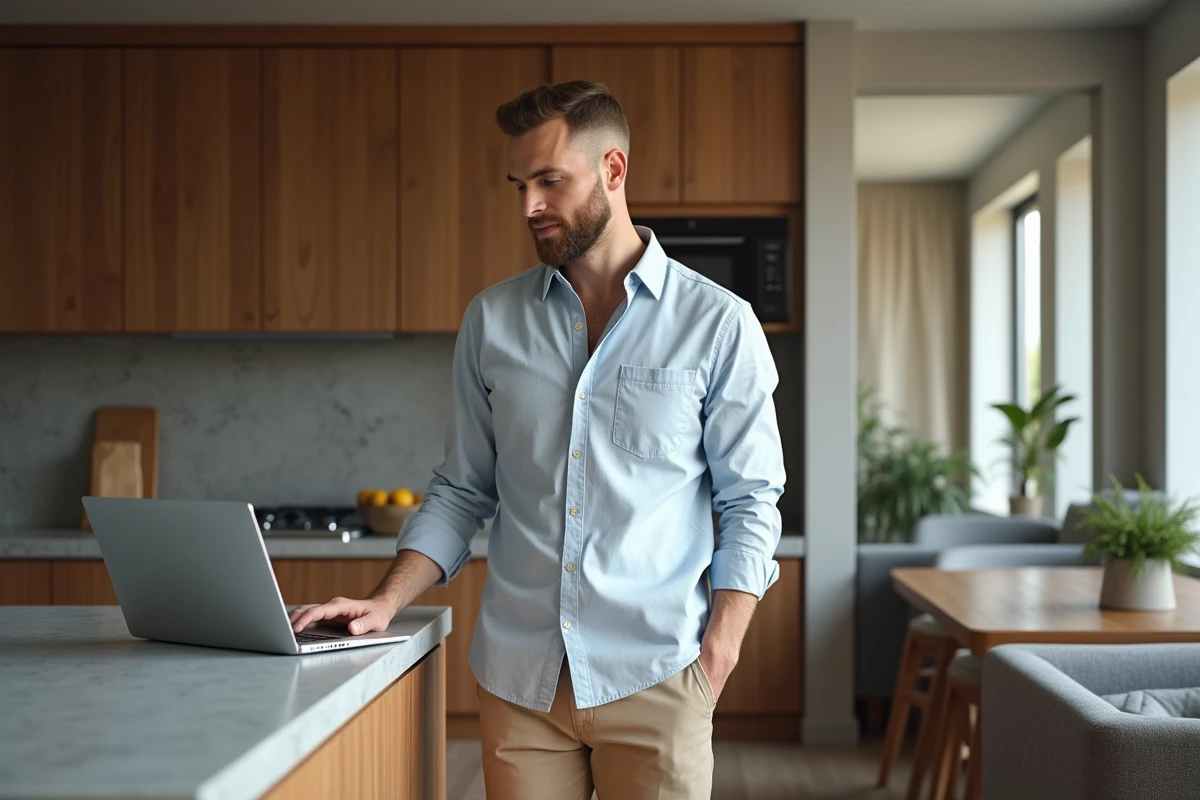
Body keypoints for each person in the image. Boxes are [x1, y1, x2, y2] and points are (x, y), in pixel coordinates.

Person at [289, 80, 786, 799]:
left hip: (658, 675)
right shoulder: (491, 321)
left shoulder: (718, 324)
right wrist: (385, 602)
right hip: (520, 684)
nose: (529, 206)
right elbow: (463, 489)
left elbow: (751, 500)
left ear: (613, 171)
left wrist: (722, 646)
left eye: (550, 181)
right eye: (519, 185)